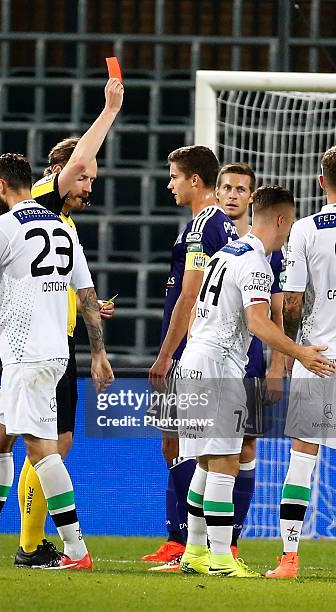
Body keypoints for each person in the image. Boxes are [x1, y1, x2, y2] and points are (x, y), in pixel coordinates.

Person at [0, 153, 113, 570]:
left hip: (27, 355)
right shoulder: (64, 230)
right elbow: (87, 296)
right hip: (50, 354)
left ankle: (77, 551)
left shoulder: (2, 227)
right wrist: (98, 351)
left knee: (42, 450)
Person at [177, 185, 334, 578]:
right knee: (226, 462)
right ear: (281, 220)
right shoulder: (258, 265)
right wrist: (300, 353)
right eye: (290, 222)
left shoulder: (227, 252)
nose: (290, 230)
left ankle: (194, 553)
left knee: (206, 461)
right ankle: (222, 561)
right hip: (217, 367)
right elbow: (258, 322)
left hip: (195, 360)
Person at [15, 77, 123, 568]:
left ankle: (29, 543)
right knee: (47, 447)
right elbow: (79, 160)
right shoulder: (41, 197)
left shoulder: (64, 224)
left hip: (63, 341)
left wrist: (87, 312)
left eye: (93, 180)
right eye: (83, 177)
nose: (89, 186)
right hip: (40, 345)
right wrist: (109, 110)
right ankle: (30, 545)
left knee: (55, 444)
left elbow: (63, 283)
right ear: (59, 172)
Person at [144, 146, 238, 569]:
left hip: (193, 349)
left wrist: (166, 354)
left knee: (198, 448)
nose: (170, 184)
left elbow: (191, 292)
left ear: (195, 181)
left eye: (175, 176)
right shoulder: (219, 226)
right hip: (208, 348)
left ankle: (193, 545)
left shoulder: (204, 226)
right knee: (183, 444)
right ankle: (188, 543)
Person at [266, 147, 336, 579]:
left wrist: (289, 353)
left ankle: (290, 558)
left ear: (320, 181)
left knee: (302, 457)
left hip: (318, 357)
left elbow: (290, 303)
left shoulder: (307, 230)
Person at [217, 163, 285, 557]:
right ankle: (192, 544)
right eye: (226, 187)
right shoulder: (214, 240)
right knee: (204, 450)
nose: (231, 195)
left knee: (242, 450)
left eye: (240, 189)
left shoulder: (268, 254)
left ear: (251, 198)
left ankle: (231, 542)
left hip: (251, 364)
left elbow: (276, 315)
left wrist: (277, 367)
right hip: (214, 361)